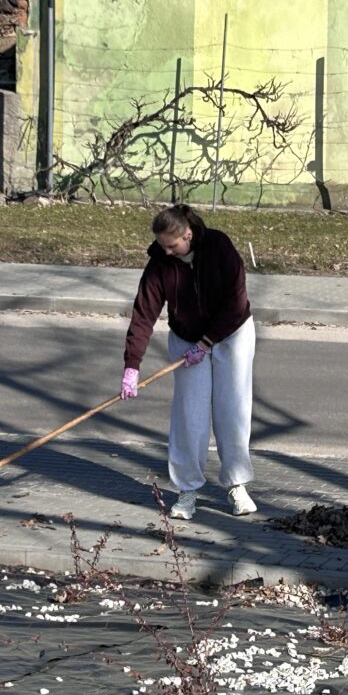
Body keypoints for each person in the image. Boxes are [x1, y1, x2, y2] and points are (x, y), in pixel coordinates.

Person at [120, 204, 257, 520]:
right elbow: (143, 315)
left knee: (232, 410)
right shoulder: (159, 264)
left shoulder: (218, 247)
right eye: (162, 245)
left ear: (188, 234)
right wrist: (132, 365)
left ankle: (236, 485)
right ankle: (187, 490)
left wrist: (207, 342)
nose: (166, 251)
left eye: (172, 245)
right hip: (185, 338)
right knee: (189, 415)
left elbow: (236, 302)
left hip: (231, 335)